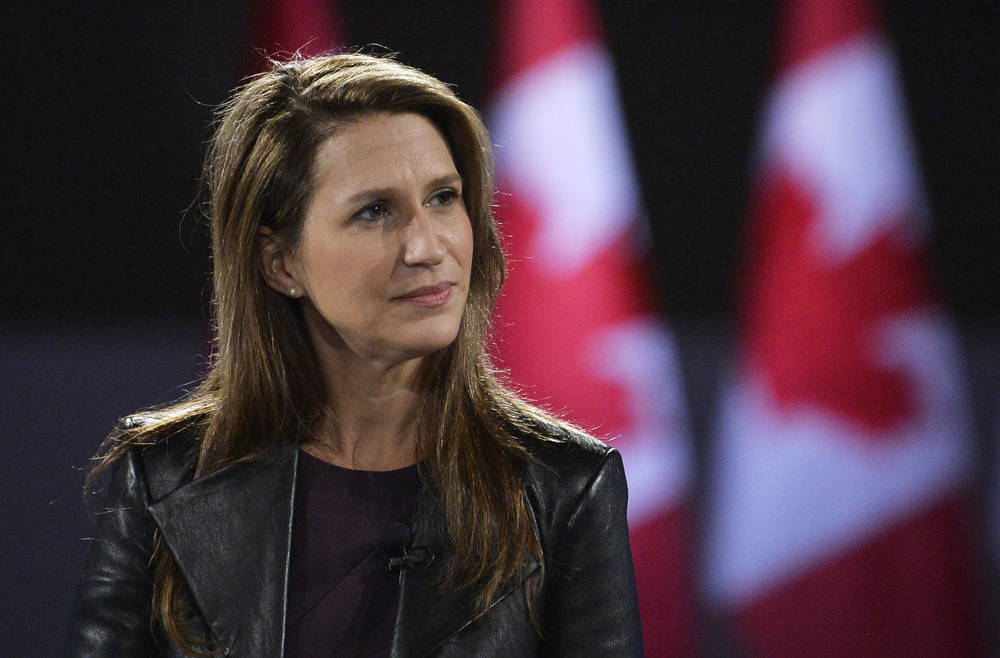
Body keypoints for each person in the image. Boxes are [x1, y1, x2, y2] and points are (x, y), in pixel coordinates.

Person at [65, 53, 643, 658]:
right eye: (375, 212)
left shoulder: (564, 488)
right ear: (280, 263)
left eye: (444, 198)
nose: (427, 246)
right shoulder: (163, 475)